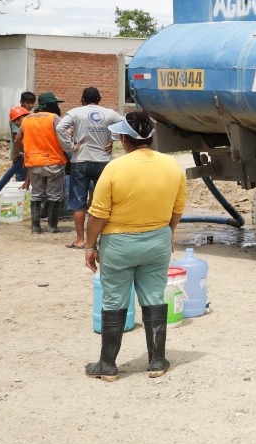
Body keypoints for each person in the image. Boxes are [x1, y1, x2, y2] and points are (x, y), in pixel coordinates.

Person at [83, 110, 186, 380]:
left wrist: (90, 245)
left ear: (124, 139)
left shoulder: (114, 168)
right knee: (154, 298)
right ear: (151, 137)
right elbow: (177, 208)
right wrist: (168, 234)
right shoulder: (172, 166)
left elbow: (98, 214)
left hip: (118, 244)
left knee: (114, 300)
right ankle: (157, 362)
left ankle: (107, 366)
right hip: (158, 240)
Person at [56, 87, 122, 250]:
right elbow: (124, 122)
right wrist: (113, 139)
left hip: (81, 160)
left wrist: (70, 146)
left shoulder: (76, 112)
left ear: (82, 100)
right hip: (104, 161)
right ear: (100, 99)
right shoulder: (110, 113)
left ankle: (80, 240)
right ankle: (103, 238)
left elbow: (59, 128)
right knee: (105, 201)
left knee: (78, 201)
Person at [20, 92, 69, 234]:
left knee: (36, 194)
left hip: (34, 162)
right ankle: (52, 226)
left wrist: (17, 154)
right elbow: (65, 137)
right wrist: (72, 148)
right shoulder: (54, 118)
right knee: (54, 195)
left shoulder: (27, 119)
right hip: (53, 161)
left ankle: (35, 226)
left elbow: (18, 138)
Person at [0, 91, 37, 192]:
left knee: (28, 181)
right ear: (21, 102)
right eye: (28, 102)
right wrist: (16, 153)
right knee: (22, 181)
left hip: (29, 155)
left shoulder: (29, 118)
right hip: (22, 156)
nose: (30, 105)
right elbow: (17, 139)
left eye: (32, 103)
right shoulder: (17, 115)